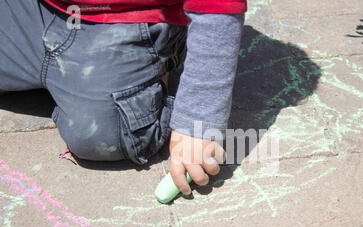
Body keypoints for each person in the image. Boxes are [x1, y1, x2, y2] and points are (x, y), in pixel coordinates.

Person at [0, 0, 246, 195]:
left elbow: (218, 4)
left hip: (129, 19)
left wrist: (196, 120)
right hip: (33, 8)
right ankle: (74, 84)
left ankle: (164, 53)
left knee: (110, 133)